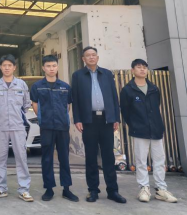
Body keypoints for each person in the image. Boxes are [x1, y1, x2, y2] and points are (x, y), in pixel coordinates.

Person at [71, 46, 126, 204]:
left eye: (93, 55)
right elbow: (75, 99)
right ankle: (93, 190)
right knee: (91, 156)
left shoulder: (107, 74)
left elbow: (114, 97)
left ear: (98, 57)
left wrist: (115, 118)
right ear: (83, 59)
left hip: (106, 120)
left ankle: (112, 191)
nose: (91, 57)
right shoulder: (78, 76)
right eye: (88, 55)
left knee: (108, 156)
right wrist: (77, 119)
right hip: (89, 120)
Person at [120, 59, 177, 204]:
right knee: (141, 160)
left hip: (156, 128)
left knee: (159, 159)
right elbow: (125, 111)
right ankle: (144, 188)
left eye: (145, 67)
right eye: (139, 67)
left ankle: (161, 189)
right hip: (139, 130)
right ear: (133, 70)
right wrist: (134, 125)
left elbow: (156, 106)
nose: (142, 70)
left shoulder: (154, 88)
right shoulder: (128, 90)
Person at [30, 55, 79, 202]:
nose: (51, 69)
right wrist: (43, 118)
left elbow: (68, 106)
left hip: (62, 127)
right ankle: (49, 189)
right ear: (43, 68)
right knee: (47, 158)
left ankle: (66, 189)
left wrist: (61, 118)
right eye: (48, 66)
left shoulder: (65, 86)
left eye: (54, 66)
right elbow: (35, 105)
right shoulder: (37, 86)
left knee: (64, 157)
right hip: (46, 127)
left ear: (57, 67)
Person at [0, 54, 33, 202]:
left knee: (21, 157)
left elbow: (26, 105)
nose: (7, 68)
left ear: (14, 67)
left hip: (18, 126)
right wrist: (2, 116)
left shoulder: (21, 84)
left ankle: (24, 189)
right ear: (0, 68)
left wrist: (16, 116)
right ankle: (1, 188)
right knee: (0, 158)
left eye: (9, 65)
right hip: (1, 127)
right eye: (4, 65)